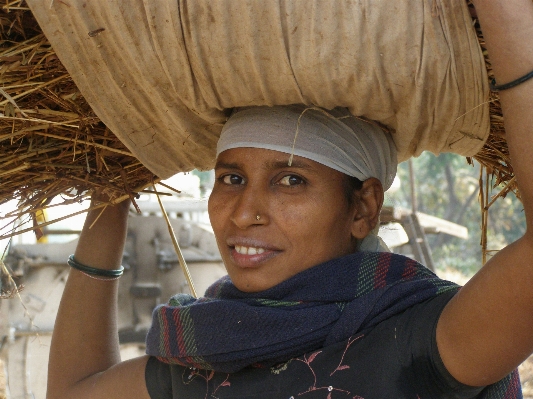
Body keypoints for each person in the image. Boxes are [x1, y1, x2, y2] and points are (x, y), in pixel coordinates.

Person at [45, 1, 533, 398]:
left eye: (291, 181)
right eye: (231, 179)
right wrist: (110, 186)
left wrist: (509, 22)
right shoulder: (202, 356)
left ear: (362, 208)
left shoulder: (422, 338)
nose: (243, 212)